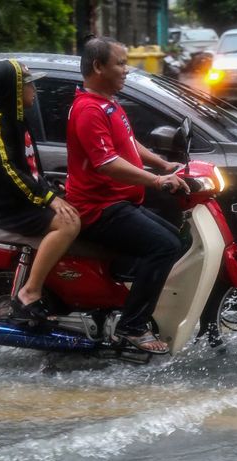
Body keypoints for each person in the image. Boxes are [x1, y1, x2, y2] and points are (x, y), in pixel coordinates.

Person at [65, 36, 190, 355]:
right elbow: (107, 164)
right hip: (99, 208)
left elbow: (128, 144)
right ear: (98, 66)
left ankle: (128, 304)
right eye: (120, 63)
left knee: (177, 238)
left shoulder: (108, 102)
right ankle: (131, 326)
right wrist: (156, 180)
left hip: (119, 202)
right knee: (165, 246)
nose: (127, 70)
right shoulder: (89, 110)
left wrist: (163, 164)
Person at [0, 59, 80, 319]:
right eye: (29, 85)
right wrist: (47, 198)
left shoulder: (18, 119)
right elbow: (9, 171)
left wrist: (53, 191)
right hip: (5, 205)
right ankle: (30, 291)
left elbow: (32, 169)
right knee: (68, 224)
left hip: (21, 200)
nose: (35, 90)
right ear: (14, 90)